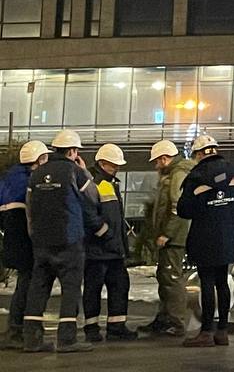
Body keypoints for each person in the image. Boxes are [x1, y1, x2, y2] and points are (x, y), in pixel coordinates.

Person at [23, 128, 102, 354]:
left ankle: (32, 339)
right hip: (69, 240)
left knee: (38, 289)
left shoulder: (37, 174)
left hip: (41, 241)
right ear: (73, 151)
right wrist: (84, 172)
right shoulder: (75, 172)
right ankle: (67, 339)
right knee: (70, 289)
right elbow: (93, 197)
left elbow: (30, 206)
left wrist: (34, 234)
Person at [176, 133, 234, 347]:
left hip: (204, 235)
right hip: (228, 234)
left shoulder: (197, 175)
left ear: (198, 154)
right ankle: (222, 331)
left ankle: (206, 331)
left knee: (206, 282)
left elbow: (184, 209)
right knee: (222, 281)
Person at [81, 143, 137, 342]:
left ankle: (116, 327)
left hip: (111, 248)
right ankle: (92, 328)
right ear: (102, 163)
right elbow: (89, 214)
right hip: (98, 248)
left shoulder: (108, 182)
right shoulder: (94, 182)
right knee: (93, 289)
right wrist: (105, 234)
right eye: (113, 165)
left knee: (119, 286)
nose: (117, 168)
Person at [0, 140, 50, 351]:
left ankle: (15, 328)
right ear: (38, 159)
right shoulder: (31, 180)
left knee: (24, 282)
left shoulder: (9, 178)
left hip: (12, 239)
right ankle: (17, 329)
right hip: (25, 240)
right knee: (28, 284)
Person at [146, 139, 194, 336]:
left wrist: (167, 233)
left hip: (174, 238)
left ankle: (177, 322)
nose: (156, 166)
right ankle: (164, 319)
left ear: (164, 159)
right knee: (165, 276)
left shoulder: (178, 175)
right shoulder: (173, 174)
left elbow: (176, 207)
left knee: (172, 278)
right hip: (172, 236)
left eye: (157, 161)